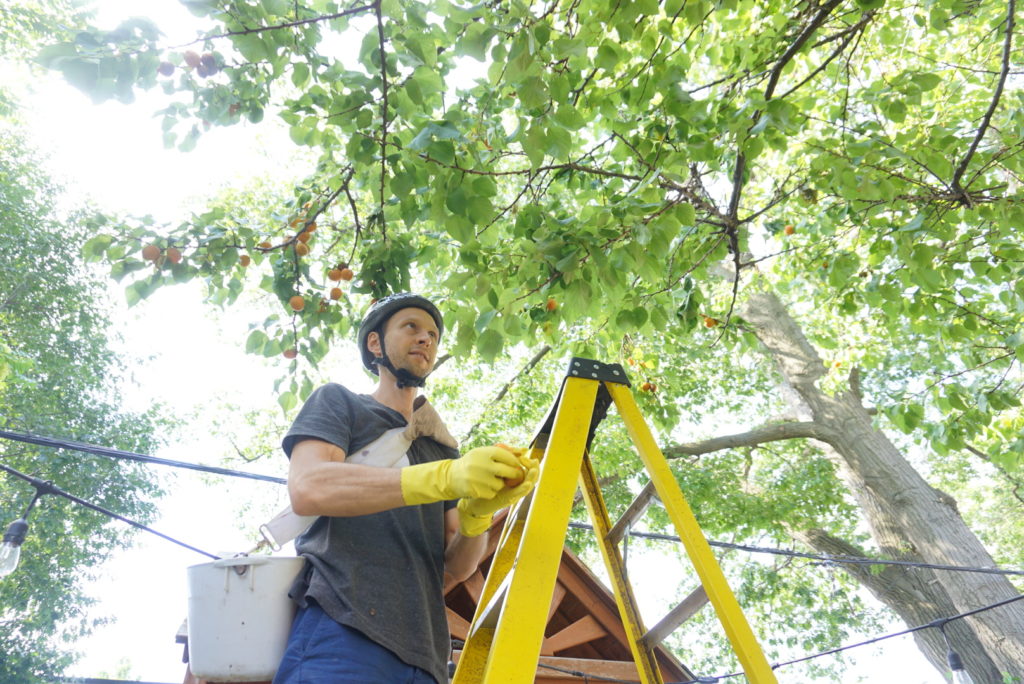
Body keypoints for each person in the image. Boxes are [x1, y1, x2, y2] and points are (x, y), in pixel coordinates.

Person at [273, 292, 538, 684]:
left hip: (428, 655)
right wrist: (444, 478)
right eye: (410, 326)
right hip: (344, 627)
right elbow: (310, 487)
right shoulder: (339, 403)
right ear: (375, 343)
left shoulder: (440, 447)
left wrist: (478, 515)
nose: (425, 338)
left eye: (432, 333)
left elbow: (459, 566)